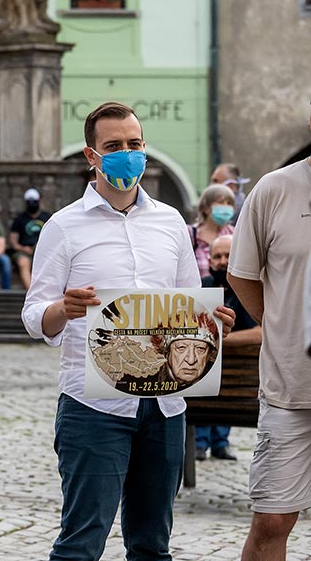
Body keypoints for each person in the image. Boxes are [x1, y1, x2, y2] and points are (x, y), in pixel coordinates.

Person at [22, 101, 235, 561]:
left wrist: (211, 321)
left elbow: (187, 303)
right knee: (81, 542)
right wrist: (63, 307)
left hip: (164, 405)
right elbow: (34, 315)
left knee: (153, 544)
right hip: (92, 405)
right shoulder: (63, 226)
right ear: (91, 155)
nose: (127, 154)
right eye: (113, 146)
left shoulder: (171, 222)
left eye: (134, 145)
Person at [228, 153, 311, 561]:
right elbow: (241, 273)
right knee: (272, 521)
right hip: (290, 389)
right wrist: (281, 326)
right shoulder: (275, 188)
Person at [194, 234, 261, 461]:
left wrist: (219, 339)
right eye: (217, 256)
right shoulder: (200, 287)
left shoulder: (245, 291)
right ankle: (208, 444)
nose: (222, 261)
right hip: (230, 390)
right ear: (210, 261)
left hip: (228, 382)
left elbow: (261, 332)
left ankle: (213, 443)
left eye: (228, 256)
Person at [9, 187, 51, 290]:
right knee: (23, 262)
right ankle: (31, 292)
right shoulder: (19, 219)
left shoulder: (47, 218)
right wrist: (22, 248)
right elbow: (13, 241)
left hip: (43, 250)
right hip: (24, 251)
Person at [190, 184, 236, 278]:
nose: (226, 207)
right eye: (221, 202)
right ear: (206, 208)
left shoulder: (235, 234)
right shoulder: (191, 234)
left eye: (229, 203)